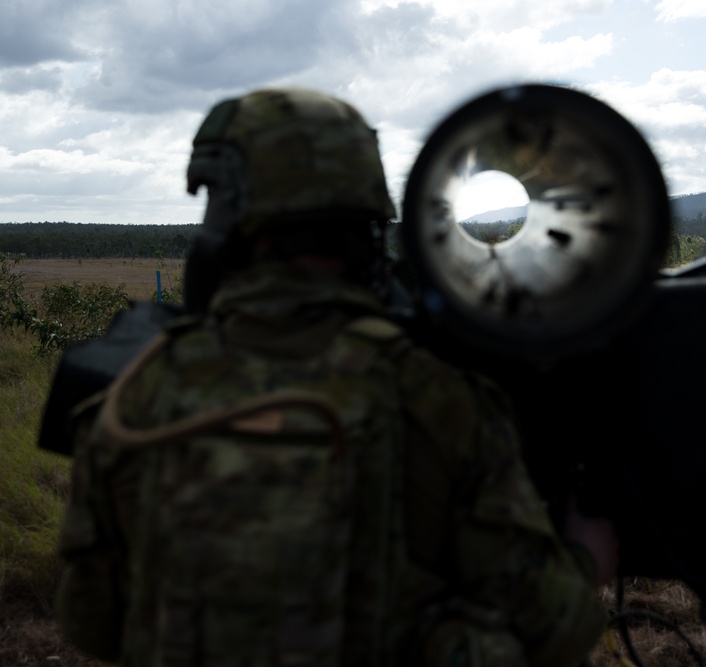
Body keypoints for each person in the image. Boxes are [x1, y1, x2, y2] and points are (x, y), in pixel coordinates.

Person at [54, 87, 616, 666]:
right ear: (368, 220)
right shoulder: (436, 395)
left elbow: (91, 622)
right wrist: (587, 556)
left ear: (231, 222)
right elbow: (556, 628)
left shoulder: (137, 390)